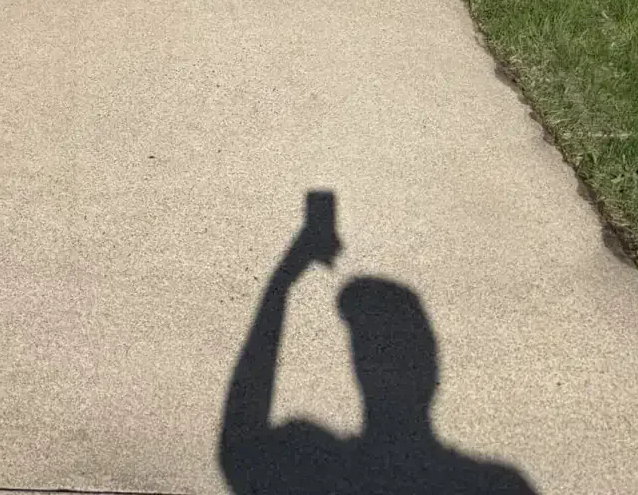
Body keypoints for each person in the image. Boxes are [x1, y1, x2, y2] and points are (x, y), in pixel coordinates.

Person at [219, 192, 538, 494]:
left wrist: (284, 280)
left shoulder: (312, 470)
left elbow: (242, 434)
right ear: (432, 372)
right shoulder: (497, 485)